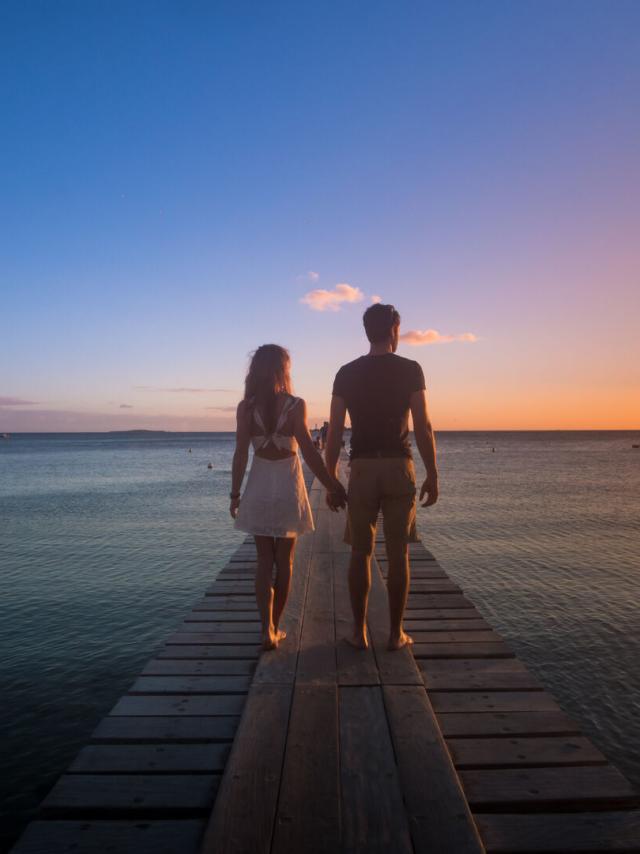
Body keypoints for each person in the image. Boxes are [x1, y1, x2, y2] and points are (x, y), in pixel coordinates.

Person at [325, 303, 439, 651]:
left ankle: (358, 634)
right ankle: (395, 634)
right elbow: (423, 425)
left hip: (361, 469)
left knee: (360, 552)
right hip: (397, 466)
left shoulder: (346, 372)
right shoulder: (410, 369)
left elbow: (333, 434)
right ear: (394, 330)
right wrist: (432, 473)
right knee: (398, 554)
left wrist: (330, 478)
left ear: (366, 331)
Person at [230, 344, 347, 650]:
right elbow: (309, 451)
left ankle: (265, 628)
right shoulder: (295, 405)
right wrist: (331, 484)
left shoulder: (246, 408)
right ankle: (276, 627)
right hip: (287, 487)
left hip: (257, 486)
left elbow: (241, 454)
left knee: (263, 561)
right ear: (283, 369)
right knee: (285, 561)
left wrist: (234, 493)